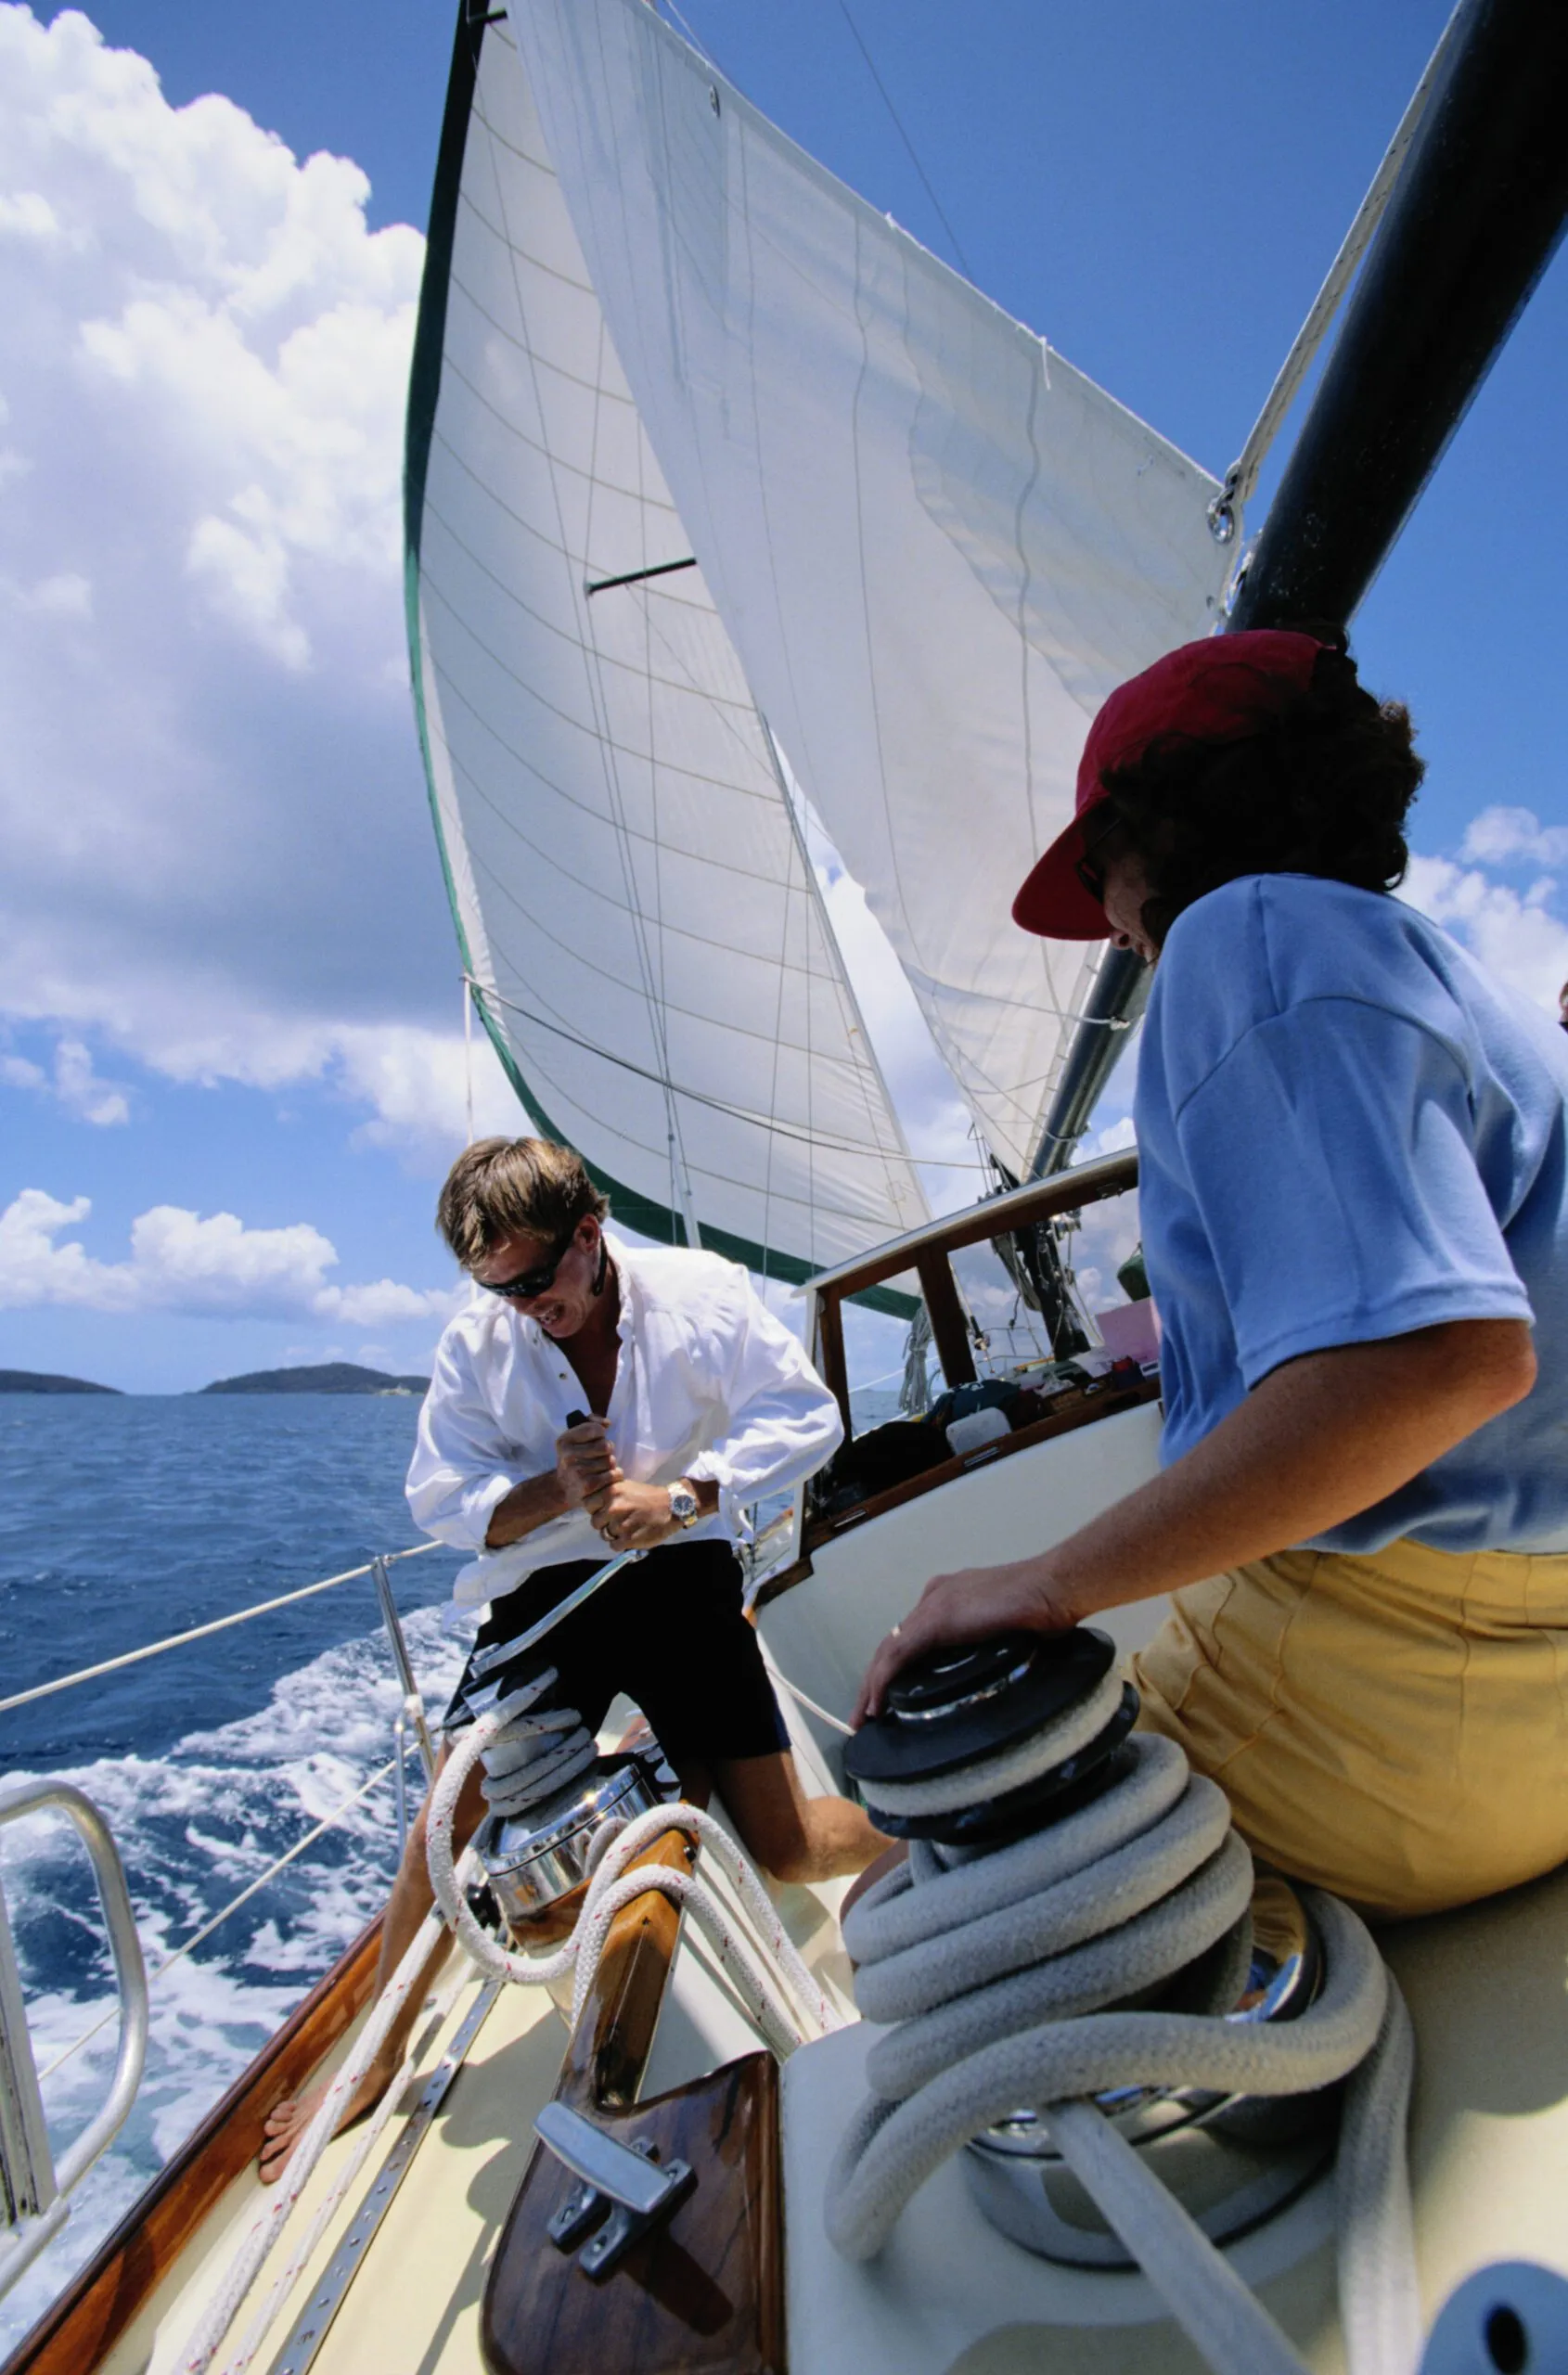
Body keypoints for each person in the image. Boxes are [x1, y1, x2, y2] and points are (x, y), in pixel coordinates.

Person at [856, 628, 1568, 1922]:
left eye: (1095, 870)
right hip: (1523, 1691)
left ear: (1155, 826)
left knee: (904, 1917)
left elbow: (1437, 1359)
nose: (1115, 935)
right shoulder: (1406, 958)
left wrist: (1043, 1581)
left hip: (1395, 1701)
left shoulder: (1243, 939)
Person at [262, 1136, 885, 2179]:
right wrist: (554, 1490)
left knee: (784, 1845)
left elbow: (807, 1418)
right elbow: (441, 1501)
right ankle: (378, 2050)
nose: (520, 1307)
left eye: (535, 1281)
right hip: (548, 1587)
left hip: (683, 1569)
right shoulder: (481, 1338)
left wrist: (683, 1495)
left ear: (588, 1238)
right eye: (496, 1287)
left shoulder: (701, 1292)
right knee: (451, 1802)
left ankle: (918, 1825)